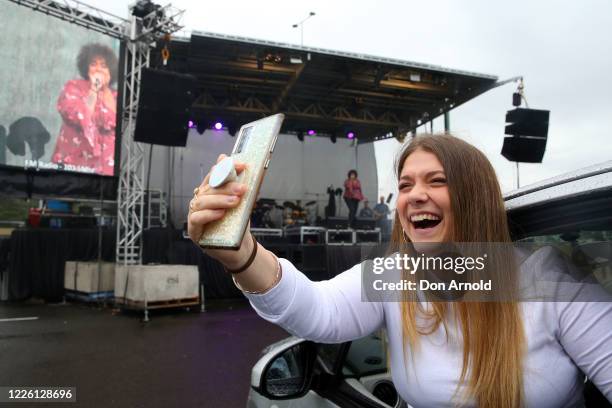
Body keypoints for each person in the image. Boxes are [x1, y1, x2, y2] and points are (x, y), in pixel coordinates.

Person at [187, 134, 612, 407]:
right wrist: (239, 253)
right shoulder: (396, 276)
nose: (414, 196)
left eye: (436, 181)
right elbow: (316, 309)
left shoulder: (552, 285)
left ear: (476, 196)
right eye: (406, 185)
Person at [51, 43, 118, 176]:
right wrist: (94, 90)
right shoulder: (73, 87)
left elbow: (118, 123)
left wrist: (105, 91)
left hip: (104, 174)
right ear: (86, 67)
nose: (98, 69)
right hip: (71, 169)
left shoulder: (115, 96)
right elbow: (80, 116)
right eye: (93, 64)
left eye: (104, 65)